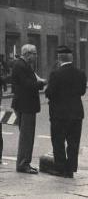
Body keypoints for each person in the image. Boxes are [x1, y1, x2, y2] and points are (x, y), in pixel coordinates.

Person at [44, 45, 87, 178]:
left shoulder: (55, 74)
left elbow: (50, 93)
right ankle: (71, 169)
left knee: (58, 141)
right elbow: (82, 91)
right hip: (76, 114)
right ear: (71, 58)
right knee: (73, 143)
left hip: (59, 114)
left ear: (59, 58)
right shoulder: (81, 73)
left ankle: (60, 168)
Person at [11, 43, 47, 174]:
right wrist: (41, 83)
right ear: (28, 54)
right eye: (35, 53)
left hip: (24, 105)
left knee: (26, 135)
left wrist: (39, 82)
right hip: (25, 105)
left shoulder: (24, 65)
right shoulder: (21, 66)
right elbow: (27, 85)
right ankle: (23, 164)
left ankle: (25, 162)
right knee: (27, 136)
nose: (36, 56)